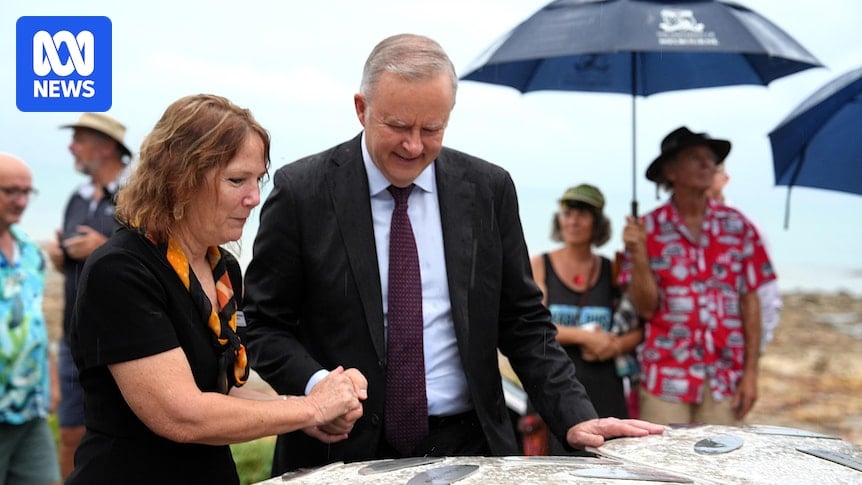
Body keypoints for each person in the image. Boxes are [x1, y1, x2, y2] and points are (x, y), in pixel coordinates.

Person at [242, 33, 664, 475]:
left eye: (431, 129)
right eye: (399, 126)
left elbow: (522, 321)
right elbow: (264, 323)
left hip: (471, 447)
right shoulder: (302, 191)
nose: (413, 146)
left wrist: (576, 415)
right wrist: (316, 386)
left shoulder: (488, 189)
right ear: (361, 109)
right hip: (338, 449)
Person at [66, 94, 366, 484]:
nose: (254, 197)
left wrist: (304, 408)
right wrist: (311, 409)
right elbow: (182, 415)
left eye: (257, 179)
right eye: (236, 180)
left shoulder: (222, 268)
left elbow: (222, 393)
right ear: (178, 179)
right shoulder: (121, 269)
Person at [619, 126, 777, 426]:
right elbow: (646, 308)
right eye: (696, 157)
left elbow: (750, 301)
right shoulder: (647, 229)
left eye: (711, 159)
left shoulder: (738, 226)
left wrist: (751, 373)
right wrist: (638, 254)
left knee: (722, 468)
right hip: (665, 377)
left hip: (724, 379)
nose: (708, 165)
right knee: (661, 469)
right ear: (671, 171)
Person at [524, 184, 645, 453]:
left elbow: (639, 328)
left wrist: (614, 346)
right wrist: (585, 336)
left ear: (598, 223)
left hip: (604, 391)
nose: (574, 220)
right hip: (552, 390)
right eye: (568, 213)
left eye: (583, 213)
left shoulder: (610, 269)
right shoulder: (540, 264)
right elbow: (533, 325)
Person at [45, 111, 131, 478]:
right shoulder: (76, 198)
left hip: (125, 339)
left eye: (79, 138)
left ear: (106, 146)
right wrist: (61, 256)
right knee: (70, 433)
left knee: (121, 438)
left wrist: (102, 247)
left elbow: (155, 254)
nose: (71, 147)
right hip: (74, 337)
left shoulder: (137, 193)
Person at [0, 153, 61, 485]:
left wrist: (50, 378)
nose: (21, 201)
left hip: (29, 410)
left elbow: (35, 319)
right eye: (11, 191)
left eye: (27, 192)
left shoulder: (27, 250)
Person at [707, 165, 783, 352]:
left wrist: (756, 350)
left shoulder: (745, 228)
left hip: (731, 352)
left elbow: (766, 294)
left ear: (724, 178)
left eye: (712, 169)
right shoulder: (667, 228)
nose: (703, 174)